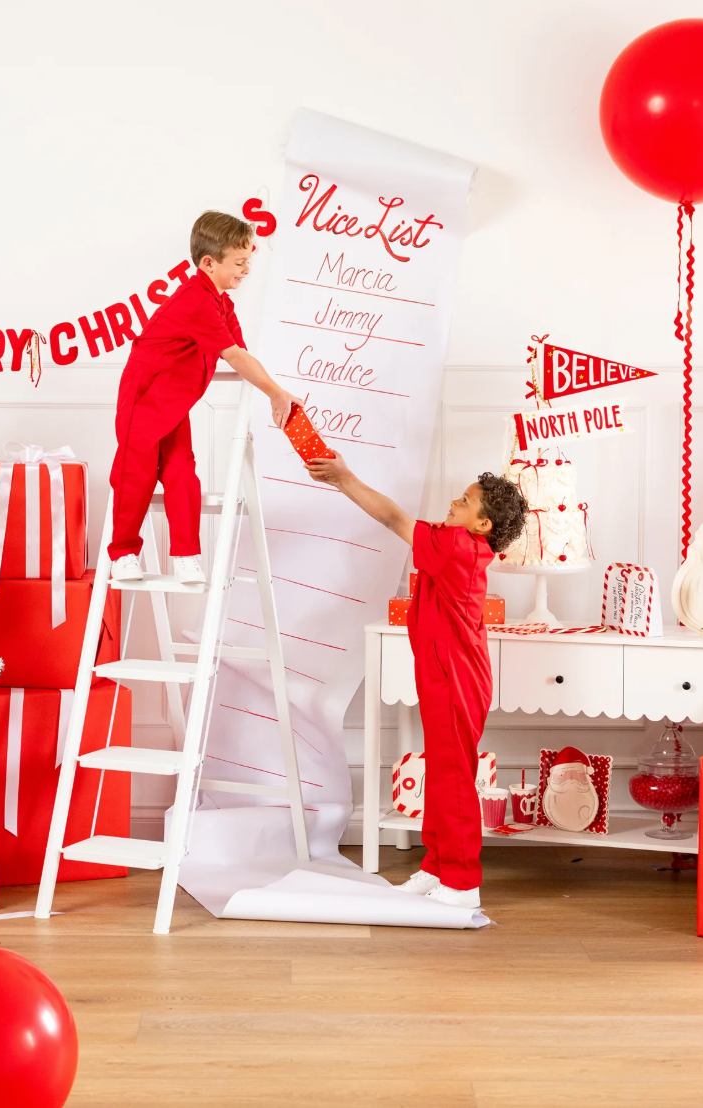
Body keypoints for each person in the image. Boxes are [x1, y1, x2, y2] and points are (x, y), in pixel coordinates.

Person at [306, 454, 527, 908]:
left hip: (454, 679)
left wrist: (345, 478)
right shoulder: (459, 544)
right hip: (444, 674)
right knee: (442, 774)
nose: (453, 501)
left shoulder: (457, 548)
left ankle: (463, 882)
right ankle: (436, 866)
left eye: (464, 501)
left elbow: (392, 518)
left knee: (454, 780)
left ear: (482, 524)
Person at [108, 211, 299, 584]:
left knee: (182, 473)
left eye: (248, 261)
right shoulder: (196, 301)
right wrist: (276, 393)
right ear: (209, 263)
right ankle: (124, 552)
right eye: (239, 263)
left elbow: (239, 350)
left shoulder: (220, 303)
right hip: (145, 398)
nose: (246, 270)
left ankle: (185, 554)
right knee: (136, 474)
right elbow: (234, 355)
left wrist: (266, 385)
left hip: (175, 404)